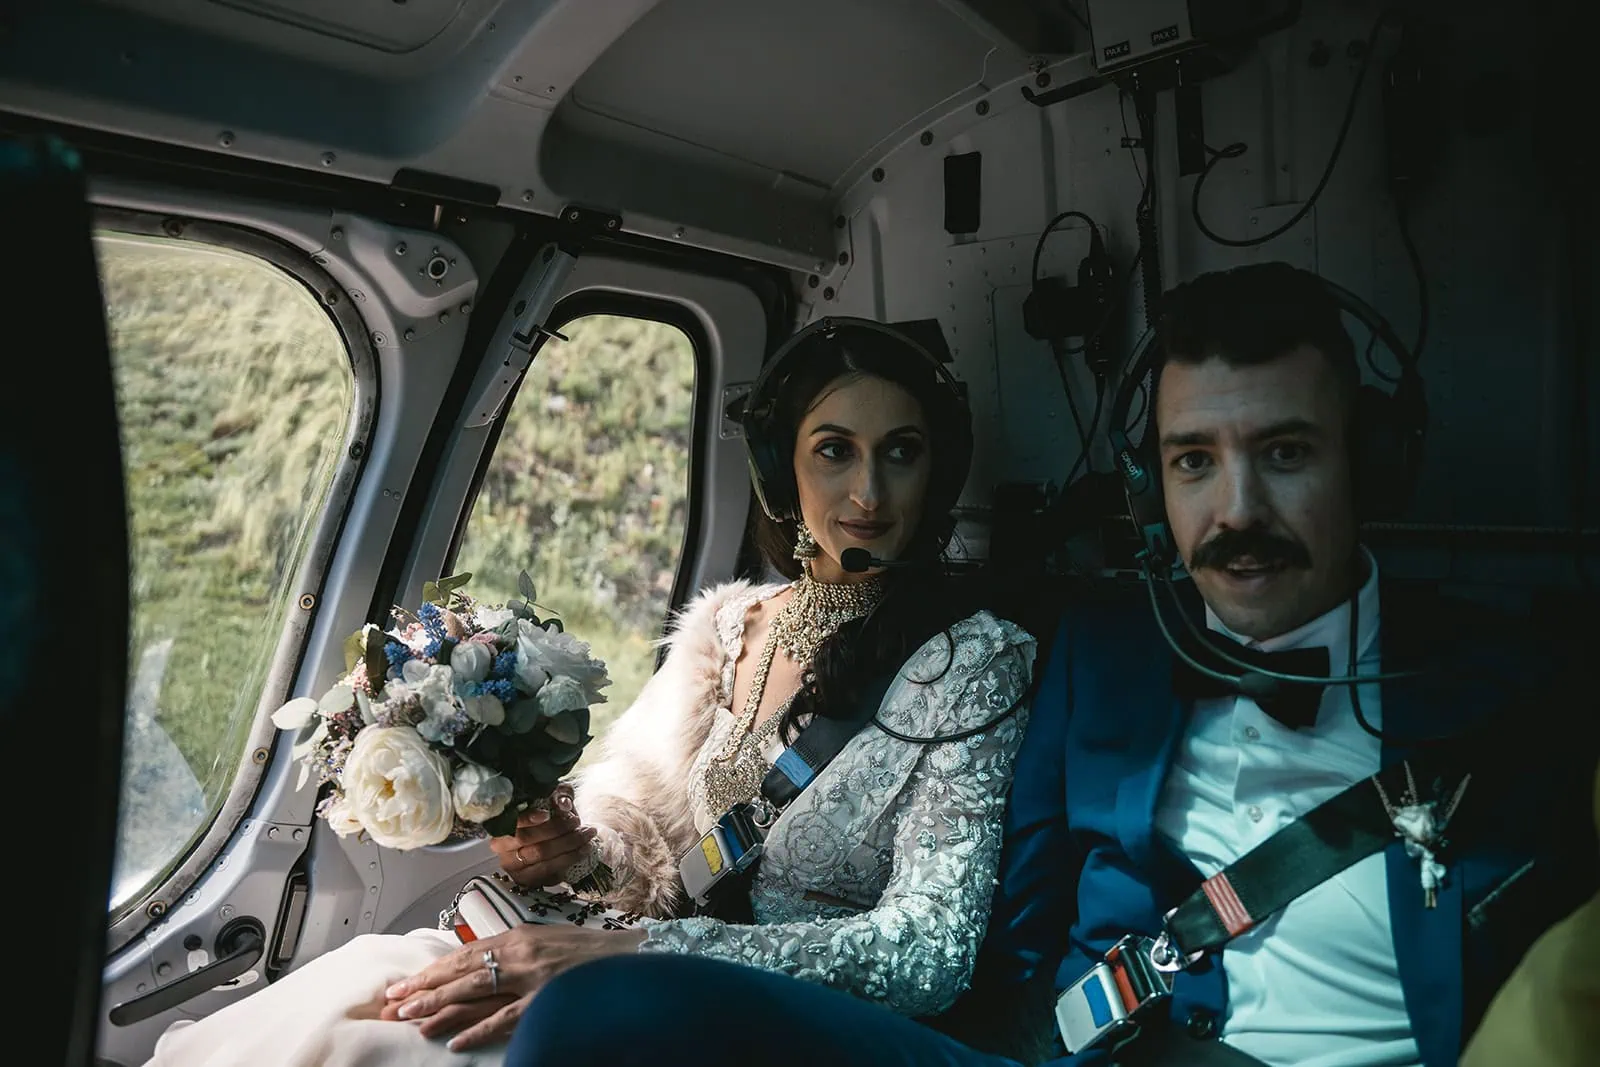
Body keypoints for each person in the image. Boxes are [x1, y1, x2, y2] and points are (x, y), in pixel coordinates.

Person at [502, 262, 1596, 1067]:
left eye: (1287, 453)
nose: (1239, 510)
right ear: (1148, 492)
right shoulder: (1103, 655)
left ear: (1375, 463)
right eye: (1193, 462)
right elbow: (1011, 953)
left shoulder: (1511, 690)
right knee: (582, 1021)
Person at [142, 316, 1036, 1066]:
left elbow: (929, 952)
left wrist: (629, 951)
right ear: (780, 473)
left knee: (407, 1043)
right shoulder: (727, 628)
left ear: (938, 473)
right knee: (375, 980)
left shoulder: (973, 664)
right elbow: (648, 849)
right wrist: (570, 849)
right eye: (834, 451)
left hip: (784, 1027)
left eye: (902, 454)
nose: (868, 492)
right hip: (643, 967)